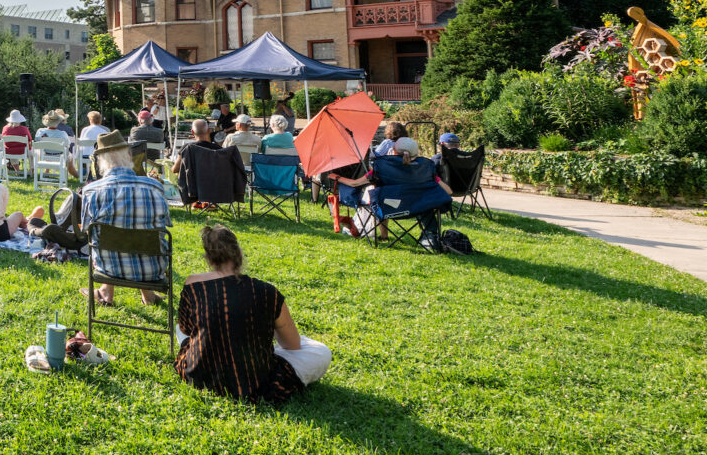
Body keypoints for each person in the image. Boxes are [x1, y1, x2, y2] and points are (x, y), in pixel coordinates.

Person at [175, 224, 331, 403]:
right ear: (239, 254)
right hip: (254, 381)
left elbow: (186, 330)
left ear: (208, 258)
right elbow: (293, 344)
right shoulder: (267, 292)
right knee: (321, 352)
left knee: (179, 327)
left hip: (199, 373)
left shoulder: (192, 285)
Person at [79, 130, 169, 305]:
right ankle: (148, 295)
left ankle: (106, 293)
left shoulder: (92, 191)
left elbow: (86, 231)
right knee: (142, 231)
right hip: (153, 270)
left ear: (100, 161)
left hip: (108, 268)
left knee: (105, 236)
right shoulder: (155, 187)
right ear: (129, 155)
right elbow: (164, 225)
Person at [331, 136, 444, 248]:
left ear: (393, 151)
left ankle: (384, 235)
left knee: (382, 197)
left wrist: (336, 177)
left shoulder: (382, 167)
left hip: (389, 208)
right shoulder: (426, 168)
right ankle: (430, 237)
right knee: (426, 203)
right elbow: (448, 190)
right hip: (417, 208)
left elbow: (354, 183)